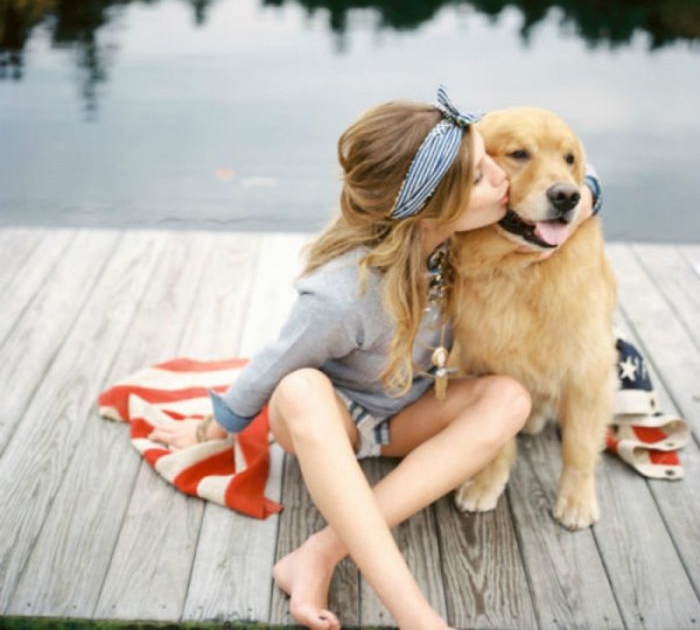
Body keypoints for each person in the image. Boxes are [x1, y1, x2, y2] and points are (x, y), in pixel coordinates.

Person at [149, 86, 598, 630]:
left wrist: (585, 187)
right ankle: (416, 615)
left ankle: (321, 549)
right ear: (435, 204)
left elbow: (578, 194)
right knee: (298, 387)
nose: (503, 179)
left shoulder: (460, 246)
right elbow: (275, 361)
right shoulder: (341, 294)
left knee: (510, 398)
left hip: (407, 419)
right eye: (483, 175)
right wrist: (215, 427)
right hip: (333, 423)